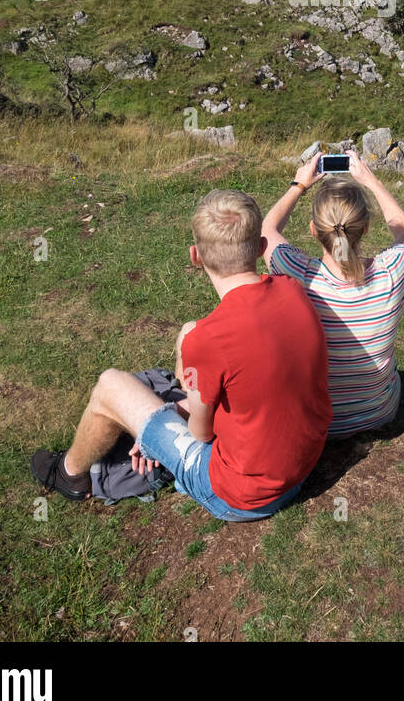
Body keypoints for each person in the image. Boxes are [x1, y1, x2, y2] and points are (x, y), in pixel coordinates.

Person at [31, 189, 332, 520]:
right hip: (301, 468)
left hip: (239, 495)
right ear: (260, 249)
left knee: (110, 385)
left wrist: (168, 420)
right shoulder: (292, 289)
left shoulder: (209, 340)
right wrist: (179, 407)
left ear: (195, 256)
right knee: (190, 329)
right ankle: (170, 414)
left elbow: (202, 434)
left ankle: (69, 473)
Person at [261, 150, 404, 439]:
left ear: (313, 230)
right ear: (366, 228)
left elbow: (267, 231)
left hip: (320, 420)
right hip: (379, 413)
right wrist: (371, 181)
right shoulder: (392, 272)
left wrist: (299, 185)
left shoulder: (298, 273)